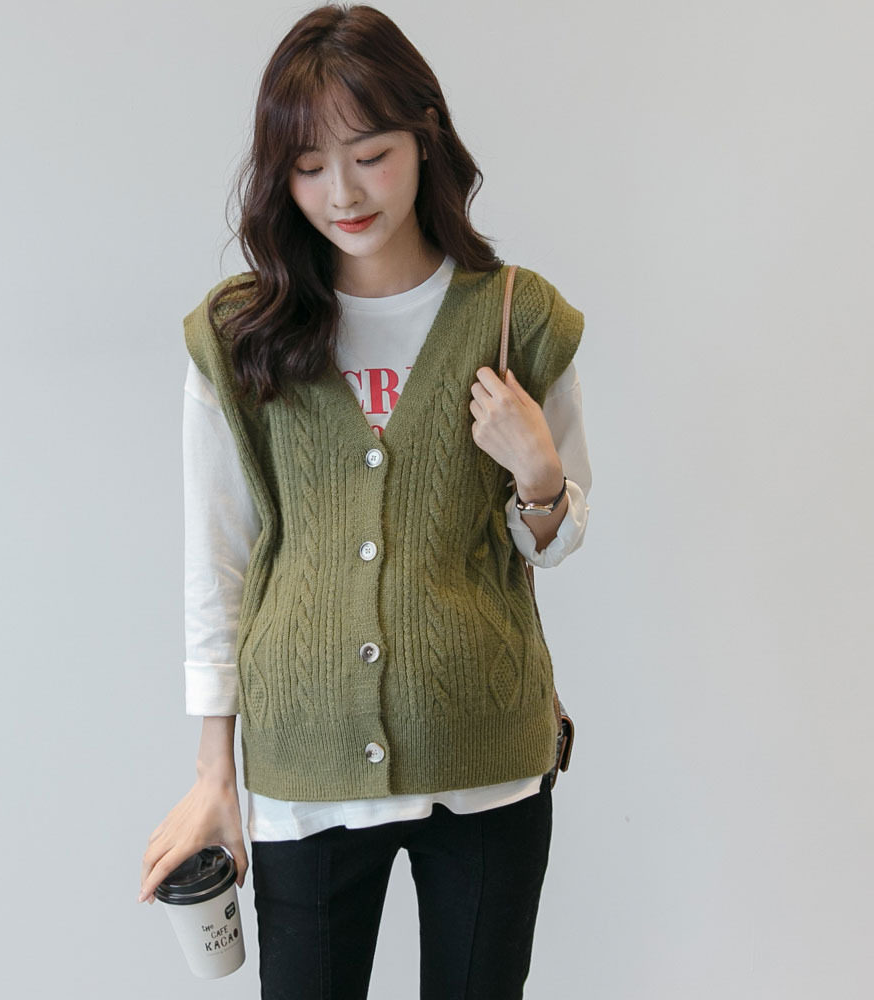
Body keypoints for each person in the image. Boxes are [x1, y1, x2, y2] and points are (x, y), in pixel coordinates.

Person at [138, 4, 591, 997]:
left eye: (371, 155)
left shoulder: (516, 316)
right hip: (304, 766)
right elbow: (219, 561)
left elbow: (553, 540)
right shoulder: (241, 335)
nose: (341, 192)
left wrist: (539, 475)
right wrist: (215, 773)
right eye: (307, 166)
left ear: (426, 137)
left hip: (488, 758)